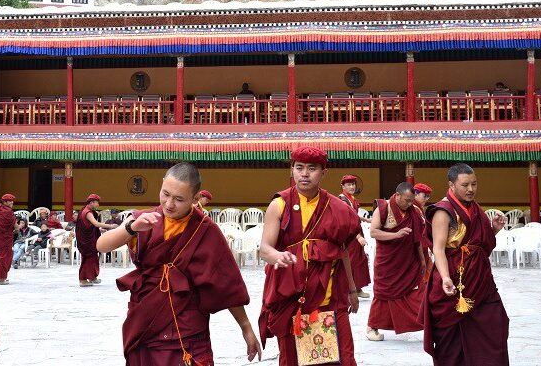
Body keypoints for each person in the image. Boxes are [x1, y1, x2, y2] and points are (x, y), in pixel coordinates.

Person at [97, 162, 262, 365]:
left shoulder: (206, 230)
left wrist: (245, 327)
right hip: (146, 319)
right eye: (165, 194)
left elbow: (226, 284)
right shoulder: (143, 219)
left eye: (179, 199)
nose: (169, 204)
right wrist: (132, 228)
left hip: (188, 327)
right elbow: (102, 245)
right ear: (162, 184)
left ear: (195, 199)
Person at [259, 147, 362, 366]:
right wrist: (278, 256)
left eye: (312, 169)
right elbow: (265, 249)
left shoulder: (337, 208)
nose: (304, 174)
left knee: (342, 357)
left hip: (330, 297)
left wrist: (352, 290)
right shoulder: (279, 204)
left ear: (324, 173)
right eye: (299, 168)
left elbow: (343, 251)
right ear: (292, 170)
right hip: (291, 297)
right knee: (293, 359)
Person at [421, 163, 509, 365]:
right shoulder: (442, 211)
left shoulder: (475, 208)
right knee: (452, 341)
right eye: (465, 185)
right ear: (451, 185)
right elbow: (439, 249)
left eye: (474, 184)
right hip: (454, 280)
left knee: (496, 324)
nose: (471, 189)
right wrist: (444, 278)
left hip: (480, 281)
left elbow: (478, 245)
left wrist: (493, 229)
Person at [365, 182, 426, 341]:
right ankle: (372, 327)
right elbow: (373, 232)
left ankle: (422, 321)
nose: (410, 203)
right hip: (388, 262)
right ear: (397, 195)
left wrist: (423, 260)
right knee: (382, 294)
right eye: (406, 200)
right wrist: (396, 235)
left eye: (412, 200)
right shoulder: (383, 208)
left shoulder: (414, 211)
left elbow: (418, 239)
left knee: (415, 292)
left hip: (408, 261)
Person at [338, 174, 372, 299]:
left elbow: (354, 215)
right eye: (349, 184)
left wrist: (366, 220)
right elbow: (347, 221)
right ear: (343, 186)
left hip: (356, 232)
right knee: (350, 262)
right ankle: (348, 290)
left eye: (353, 184)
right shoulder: (342, 200)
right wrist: (359, 237)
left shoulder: (351, 199)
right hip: (350, 235)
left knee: (359, 261)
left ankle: (358, 288)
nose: (352, 187)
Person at [76, 194, 116, 287]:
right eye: (97, 203)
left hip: (89, 238)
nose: (98, 205)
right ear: (92, 202)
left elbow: (91, 225)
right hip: (87, 240)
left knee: (93, 258)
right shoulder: (87, 212)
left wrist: (99, 230)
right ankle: (82, 279)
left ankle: (92, 277)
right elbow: (96, 223)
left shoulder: (86, 210)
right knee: (88, 258)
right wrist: (110, 226)